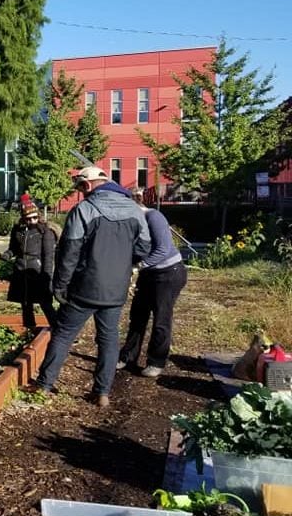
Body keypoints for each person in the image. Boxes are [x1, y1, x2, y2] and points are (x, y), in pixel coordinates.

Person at [27, 166, 150, 407]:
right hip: (116, 290)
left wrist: (60, 285)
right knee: (109, 338)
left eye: (81, 188)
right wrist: (122, 262)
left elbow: (69, 252)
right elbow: (143, 248)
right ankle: (102, 392)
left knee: (62, 335)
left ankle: (44, 385)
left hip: (84, 288)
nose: (81, 193)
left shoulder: (84, 210)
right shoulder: (135, 211)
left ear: (89, 185)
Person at [117, 189, 187, 377]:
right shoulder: (131, 223)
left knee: (161, 318)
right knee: (138, 315)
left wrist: (138, 266)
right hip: (148, 273)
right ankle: (128, 356)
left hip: (169, 273)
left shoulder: (153, 217)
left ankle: (156, 361)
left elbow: (163, 249)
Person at [0, 193, 57, 330]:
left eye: (35, 217)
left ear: (39, 216)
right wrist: (7, 255)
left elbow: (48, 257)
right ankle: (29, 328)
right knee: (25, 303)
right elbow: (13, 248)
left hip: (37, 271)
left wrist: (46, 276)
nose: (32, 221)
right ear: (23, 218)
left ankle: (58, 330)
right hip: (21, 271)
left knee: (45, 303)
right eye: (29, 218)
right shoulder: (18, 230)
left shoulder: (45, 232)